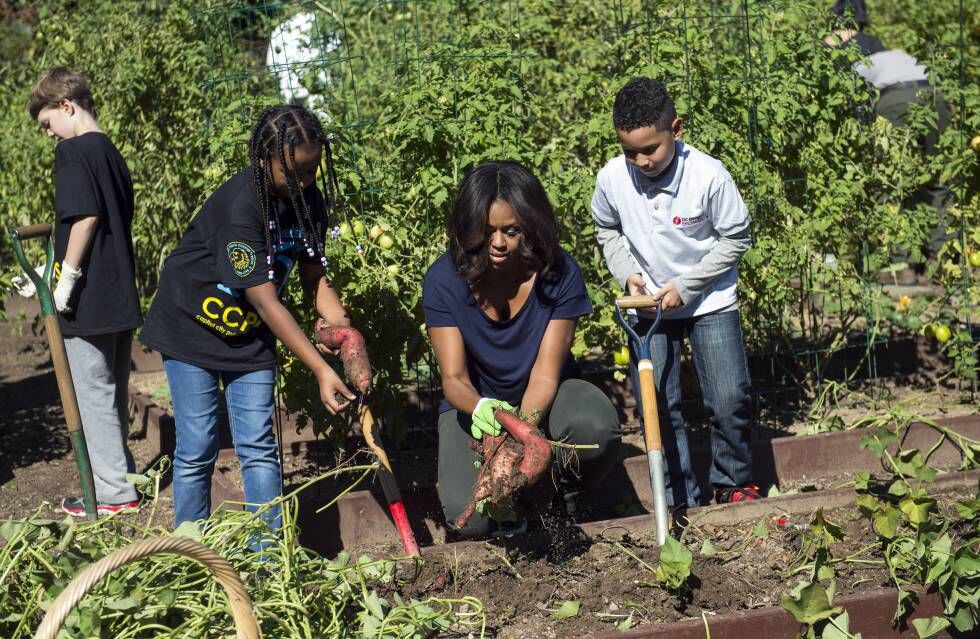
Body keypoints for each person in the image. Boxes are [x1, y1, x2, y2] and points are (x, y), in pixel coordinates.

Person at [140, 104, 357, 534]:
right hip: (191, 330)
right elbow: (265, 301)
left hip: (249, 337)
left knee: (259, 445)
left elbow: (315, 278)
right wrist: (318, 368)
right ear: (264, 160)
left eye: (312, 171)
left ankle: (269, 559)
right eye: (294, 172)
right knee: (198, 445)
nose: (305, 182)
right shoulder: (242, 206)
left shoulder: (309, 201)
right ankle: (192, 552)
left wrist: (344, 332)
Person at [423, 160, 621, 538]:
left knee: (595, 429)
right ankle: (513, 509)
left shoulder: (558, 274)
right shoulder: (444, 279)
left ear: (530, 225)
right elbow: (454, 377)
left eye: (511, 231)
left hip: (546, 399)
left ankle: (563, 494)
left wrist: (519, 440)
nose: (498, 243)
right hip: (475, 407)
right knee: (469, 519)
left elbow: (546, 374)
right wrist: (485, 411)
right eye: (487, 231)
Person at [592, 77, 757, 512]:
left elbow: (736, 238)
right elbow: (606, 227)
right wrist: (627, 274)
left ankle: (733, 481)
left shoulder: (708, 176)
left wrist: (687, 286)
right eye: (631, 151)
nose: (641, 161)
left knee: (727, 398)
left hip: (709, 300)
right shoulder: (612, 179)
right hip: (648, 307)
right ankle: (677, 496)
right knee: (659, 407)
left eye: (651, 149)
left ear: (677, 130)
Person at [28, 67, 142, 517]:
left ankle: (114, 494)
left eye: (47, 123)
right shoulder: (110, 151)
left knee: (91, 394)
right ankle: (122, 480)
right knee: (111, 392)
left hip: (89, 298)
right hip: (119, 293)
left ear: (66, 106)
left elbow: (86, 218)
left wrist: (66, 280)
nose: (49, 135)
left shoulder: (72, 152)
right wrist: (48, 264)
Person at [826, 0, 952, 282]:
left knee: (890, 181)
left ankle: (901, 265)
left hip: (895, 97)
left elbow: (851, 105)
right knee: (941, 176)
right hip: (936, 95)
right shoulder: (884, 48)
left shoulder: (842, 55)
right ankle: (941, 258)